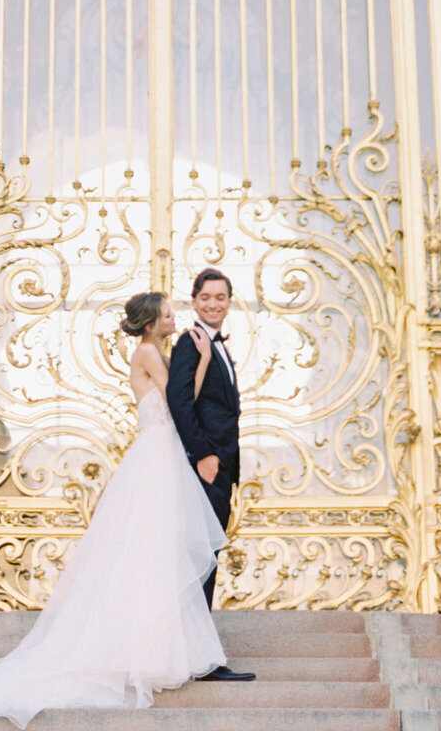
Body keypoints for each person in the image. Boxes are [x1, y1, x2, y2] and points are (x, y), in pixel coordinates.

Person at [0, 291, 228, 728]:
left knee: (156, 554)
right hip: (158, 456)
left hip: (159, 455)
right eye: (167, 314)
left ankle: (158, 648)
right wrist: (201, 361)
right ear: (150, 324)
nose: (173, 319)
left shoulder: (150, 350)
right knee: (152, 551)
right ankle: (145, 652)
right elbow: (179, 401)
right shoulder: (148, 352)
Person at [165, 267, 256, 682]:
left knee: (206, 557)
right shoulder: (191, 342)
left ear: (229, 301)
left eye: (221, 297)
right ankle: (200, 659)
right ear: (194, 300)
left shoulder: (214, 344)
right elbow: (179, 402)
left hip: (221, 466)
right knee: (200, 558)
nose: (214, 304)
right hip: (205, 466)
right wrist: (203, 455)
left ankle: (193, 654)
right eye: (206, 297)